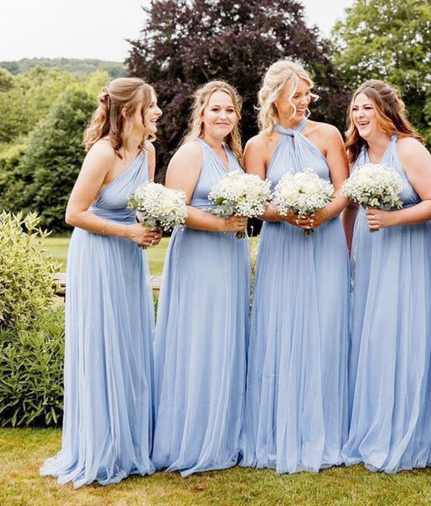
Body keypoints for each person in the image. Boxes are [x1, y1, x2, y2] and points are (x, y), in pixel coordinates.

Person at [40, 78, 162, 488]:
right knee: (101, 342)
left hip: (129, 257)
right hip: (97, 255)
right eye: (150, 105)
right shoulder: (103, 153)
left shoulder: (147, 152)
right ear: (128, 112)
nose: (158, 111)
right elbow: (74, 213)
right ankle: (100, 446)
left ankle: (130, 442)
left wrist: (152, 224)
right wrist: (128, 231)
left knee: (131, 342)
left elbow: (141, 205)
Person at [241, 60, 350, 473]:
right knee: (280, 326)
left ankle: (327, 429)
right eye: (296, 96)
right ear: (275, 98)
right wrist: (286, 214)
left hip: (326, 242)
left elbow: (344, 190)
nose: (304, 102)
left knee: (326, 326)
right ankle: (279, 429)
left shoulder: (328, 134)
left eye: (307, 94)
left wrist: (323, 215)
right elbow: (255, 202)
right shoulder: (258, 145)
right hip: (282, 245)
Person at [340, 80, 431, 472]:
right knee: (374, 336)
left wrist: (393, 218)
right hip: (371, 255)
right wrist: (347, 252)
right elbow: (350, 209)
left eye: (367, 107)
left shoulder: (409, 149)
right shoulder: (358, 154)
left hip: (407, 253)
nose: (360, 115)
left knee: (403, 333)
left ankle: (407, 433)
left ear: (385, 112)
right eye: (355, 108)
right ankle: (375, 426)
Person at [151, 81, 250, 475]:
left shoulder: (234, 155)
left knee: (226, 336)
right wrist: (222, 224)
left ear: (237, 116)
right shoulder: (191, 153)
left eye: (229, 110)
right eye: (215, 109)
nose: (223, 116)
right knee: (199, 337)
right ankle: (189, 437)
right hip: (199, 257)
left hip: (231, 257)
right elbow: (175, 209)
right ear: (202, 114)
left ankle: (223, 432)